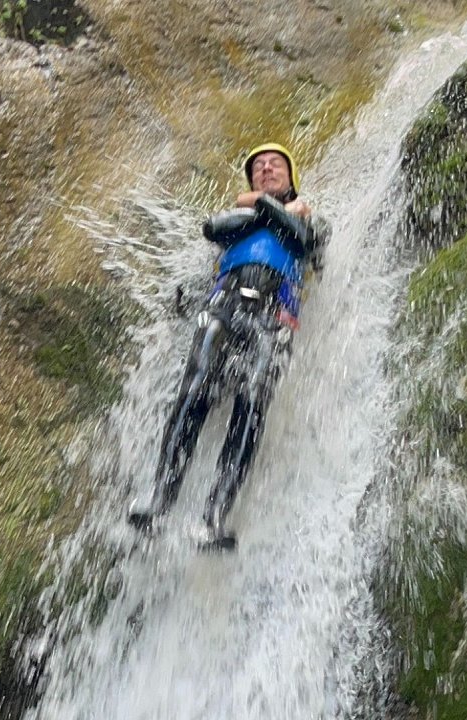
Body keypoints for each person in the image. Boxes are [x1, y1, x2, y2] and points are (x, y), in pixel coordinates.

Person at [127, 142, 329, 549]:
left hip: (275, 317)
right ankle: (160, 502)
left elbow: (306, 240)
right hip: (223, 306)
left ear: (292, 177)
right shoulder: (242, 218)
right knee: (196, 388)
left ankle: (213, 519)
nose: (266, 169)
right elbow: (212, 227)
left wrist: (270, 209)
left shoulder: (313, 219)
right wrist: (268, 206)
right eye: (257, 168)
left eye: (275, 165)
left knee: (251, 404)